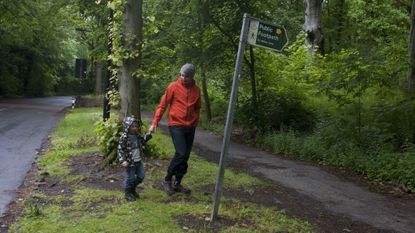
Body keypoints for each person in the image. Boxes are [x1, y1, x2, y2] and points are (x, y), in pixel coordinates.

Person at [149, 63, 201, 196]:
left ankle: (177, 182)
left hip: (190, 127)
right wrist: (155, 122)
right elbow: (162, 105)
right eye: (182, 75)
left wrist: (195, 121)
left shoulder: (197, 90)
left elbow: (197, 108)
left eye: (187, 76)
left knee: (185, 157)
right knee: (181, 153)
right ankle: (167, 180)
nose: (183, 78)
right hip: (176, 124)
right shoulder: (173, 86)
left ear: (192, 76)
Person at [118, 116, 152, 201]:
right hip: (130, 162)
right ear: (127, 127)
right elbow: (120, 149)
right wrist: (123, 160)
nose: (135, 128)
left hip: (138, 161)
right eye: (132, 126)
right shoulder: (124, 137)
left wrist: (149, 134)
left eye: (136, 126)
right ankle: (128, 193)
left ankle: (132, 188)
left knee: (141, 176)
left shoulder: (137, 136)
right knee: (131, 178)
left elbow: (143, 141)